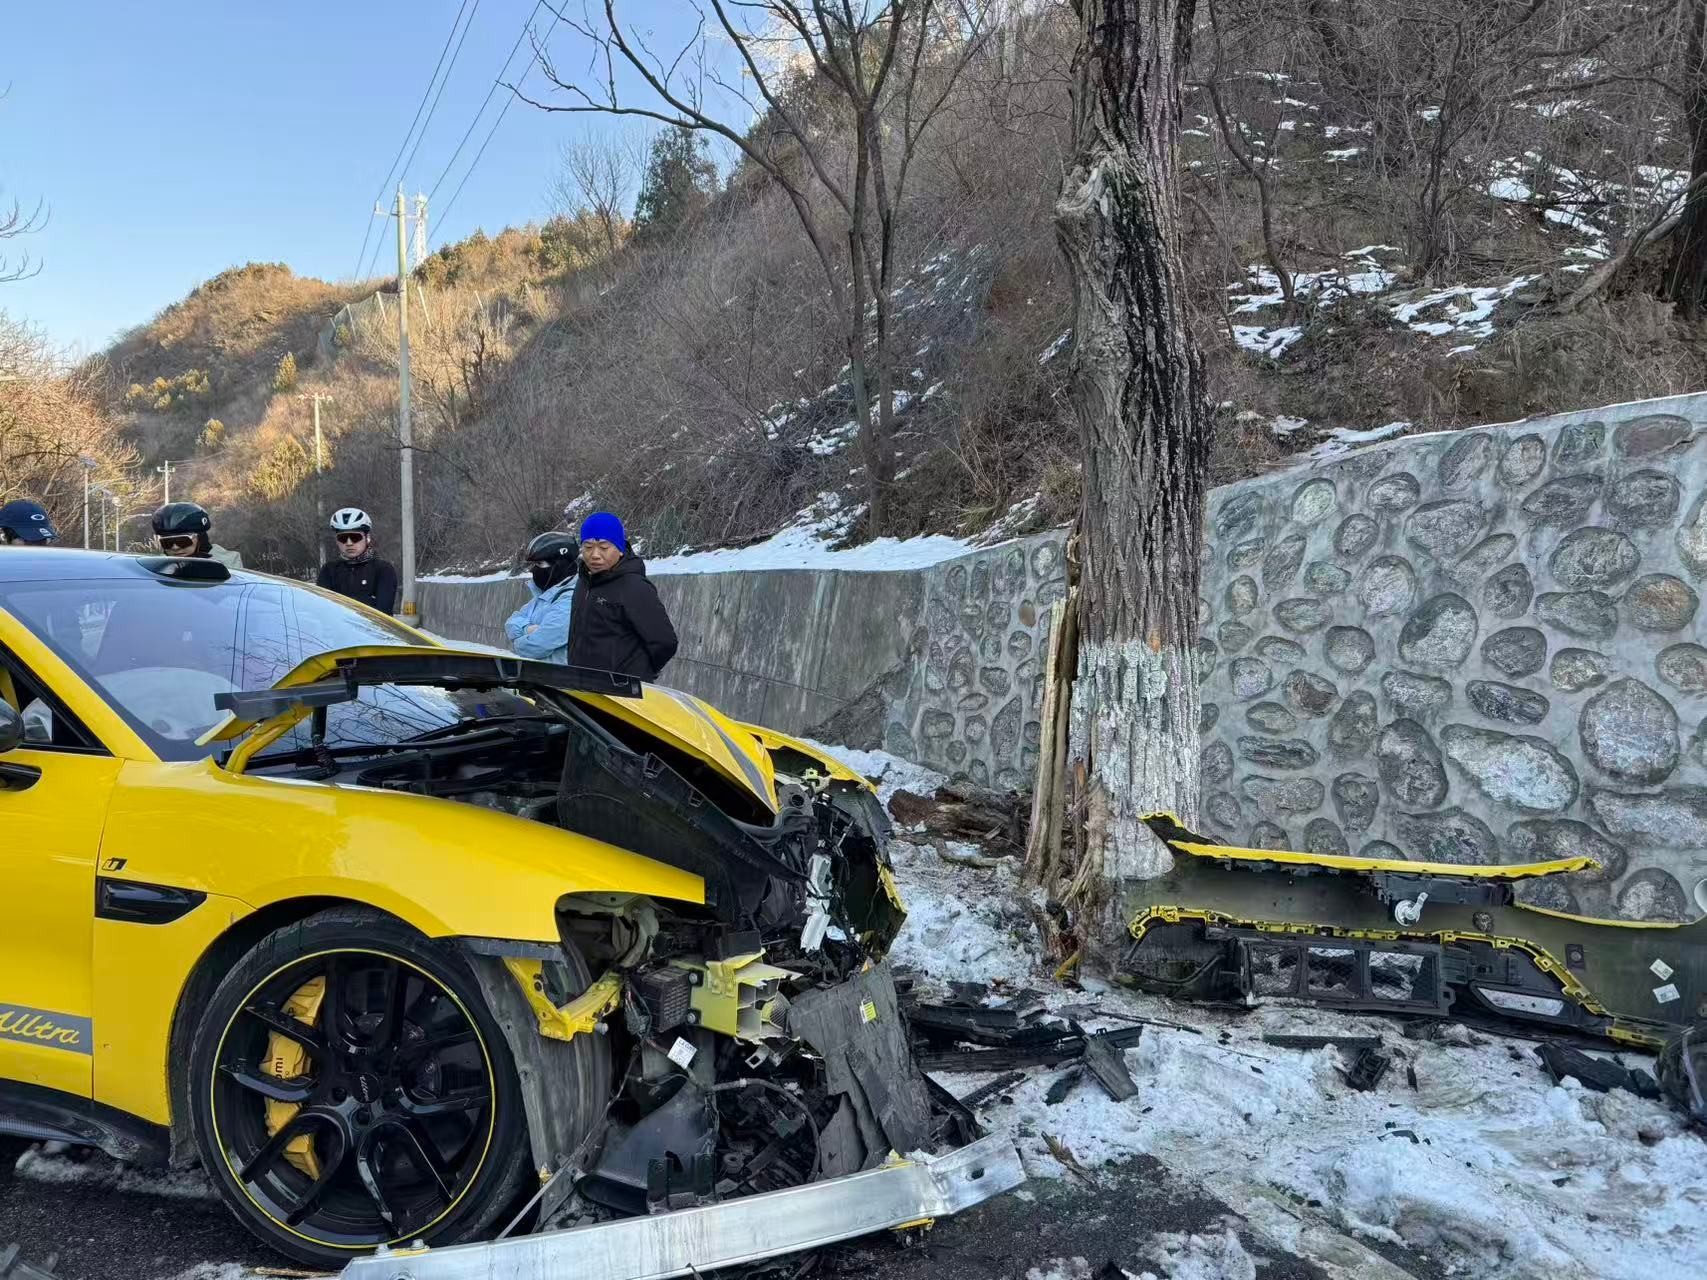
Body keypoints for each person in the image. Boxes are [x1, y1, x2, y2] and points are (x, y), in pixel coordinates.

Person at [567, 512, 678, 680]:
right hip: (583, 687)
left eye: (604, 547)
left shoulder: (634, 587)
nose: (595, 555)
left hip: (620, 693)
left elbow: (665, 642)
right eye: (588, 547)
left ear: (619, 549)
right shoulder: (584, 582)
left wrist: (639, 672)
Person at [505, 531, 579, 664]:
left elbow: (538, 646)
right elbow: (511, 622)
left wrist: (516, 643)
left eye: (540, 564)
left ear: (559, 564)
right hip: (540, 678)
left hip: (559, 681)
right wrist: (527, 629)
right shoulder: (544, 595)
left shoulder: (569, 598)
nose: (533, 570)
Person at [317, 507, 399, 615]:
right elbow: (323, 611)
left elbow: (383, 613)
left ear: (367, 537)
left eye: (355, 537)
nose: (349, 543)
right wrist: (368, 601)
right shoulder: (328, 570)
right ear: (337, 541)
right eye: (343, 538)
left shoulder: (383, 569)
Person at [152, 501, 244, 568]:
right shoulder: (157, 565)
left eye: (183, 541)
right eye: (167, 542)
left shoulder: (228, 562)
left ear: (201, 538)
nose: (175, 547)